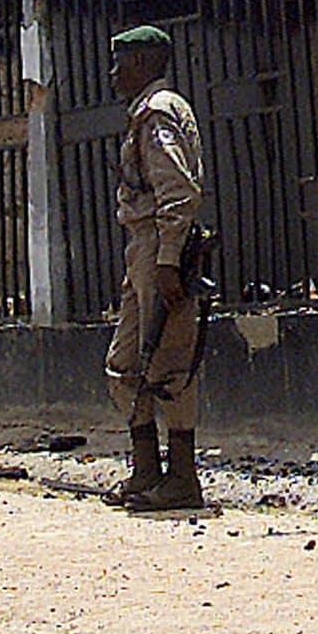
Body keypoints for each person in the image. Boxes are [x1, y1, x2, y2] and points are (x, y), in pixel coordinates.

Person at [103, 25, 208, 515]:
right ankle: (147, 470)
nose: (113, 73)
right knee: (126, 365)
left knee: (169, 366)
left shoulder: (159, 113)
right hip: (142, 248)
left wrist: (168, 261)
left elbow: (178, 193)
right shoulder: (147, 112)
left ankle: (182, 478)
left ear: (143, 63)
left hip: (159, 248)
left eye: (120, 62)